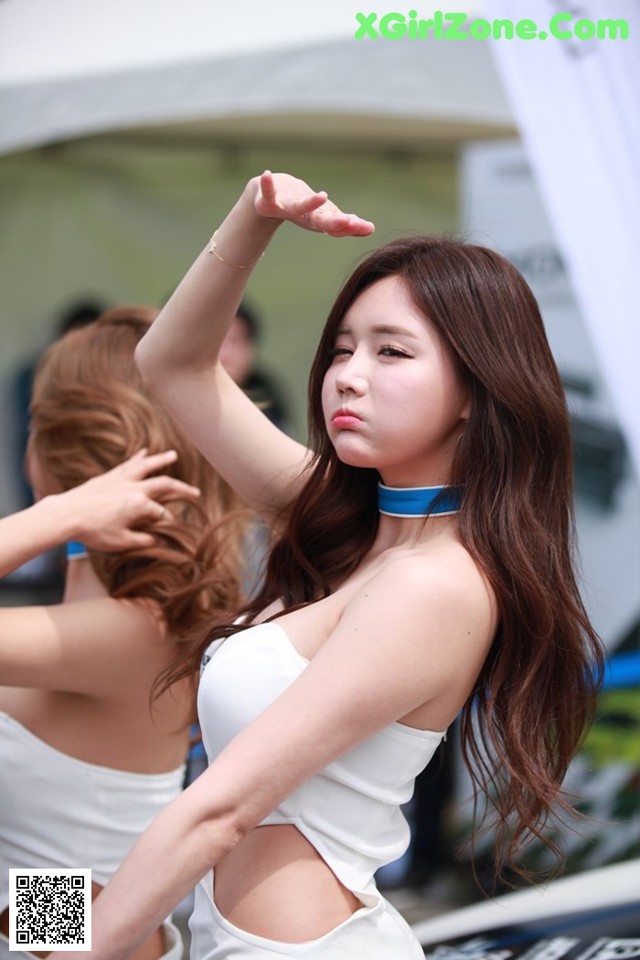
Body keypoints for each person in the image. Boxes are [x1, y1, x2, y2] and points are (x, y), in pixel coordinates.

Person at [56, 171, 603, 960]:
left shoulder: (435, 585)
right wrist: (252, 218)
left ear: (473, 392)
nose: (346, 373)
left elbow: (220, 810)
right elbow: (173, 364)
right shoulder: (349, 530)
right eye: (343, 348)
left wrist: (46, 526)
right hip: (162, 920)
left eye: (391, 352)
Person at [0, 308, 247, 960]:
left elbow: (62, 878)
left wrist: (56, 515)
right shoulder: (106, 619)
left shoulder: (131, 631)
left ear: (51, 452)